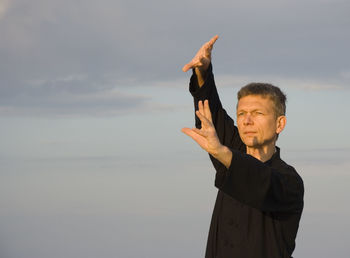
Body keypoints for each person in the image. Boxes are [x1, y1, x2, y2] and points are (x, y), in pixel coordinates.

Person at [181, 35, 304, 258]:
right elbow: (213, 114)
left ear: (280, 123)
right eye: (242, 114)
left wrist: (222, 153)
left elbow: (263, 183)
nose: (247, 121)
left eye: (257, 114)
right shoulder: (232, 153)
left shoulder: (289, 182)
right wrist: (203, 73)